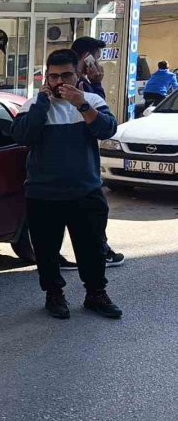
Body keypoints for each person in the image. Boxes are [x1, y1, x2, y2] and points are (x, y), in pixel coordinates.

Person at [11, 49, 121, 319]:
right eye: (53, 76)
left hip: (85, 192)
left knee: (92, 249)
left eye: (66, 75)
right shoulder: (32, 105)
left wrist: (82, 105)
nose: (60, 81)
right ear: (45, 77)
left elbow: (107, 129)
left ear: (78, 74)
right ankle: (54, 295)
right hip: (43, 194)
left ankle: (96, 294)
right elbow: (23, 136)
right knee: (47, 251)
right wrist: (42, 104)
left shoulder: (91, 101)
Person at [71, 36, 125, 269]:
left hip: (80, 163)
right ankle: (99, 250)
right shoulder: (81, 86)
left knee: (91, 212)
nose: (99, 64)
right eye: (97, 58)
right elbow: (101, 120)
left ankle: (100, 248)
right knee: (94, 212)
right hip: (80, 165)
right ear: (87, 58)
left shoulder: (79, 82)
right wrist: (98, 83)